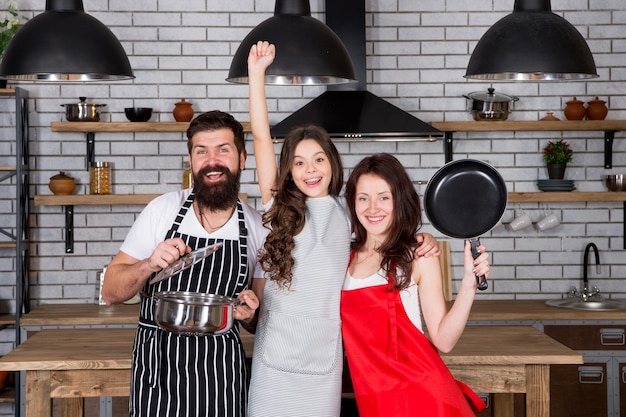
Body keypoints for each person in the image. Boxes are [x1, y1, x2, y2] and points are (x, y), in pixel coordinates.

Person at [246, 41, 440, 416]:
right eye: (299, 163)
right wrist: (257, 76)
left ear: (332, 163)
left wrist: (423, 237)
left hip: (323, 358)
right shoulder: (279, 206)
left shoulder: (347, 209)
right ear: (288, 170)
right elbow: (259, 138)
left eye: (318, 159)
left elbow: (383, 223)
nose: (310, 170)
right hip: (275, 356)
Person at [101, 110, 268, 417]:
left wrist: (249, 314)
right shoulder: (162, 211)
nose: (212, 161)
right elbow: (110, 291)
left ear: (242, 158)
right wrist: (148, 264)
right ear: (191, 159)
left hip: (219, 378)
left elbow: (259, 323)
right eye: (201, 151)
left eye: (223, 149)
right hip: (158, 374)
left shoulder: (257, 228)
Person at [341, 153, 490, 417]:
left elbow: (444, 340)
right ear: (353, 203)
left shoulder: (416, 256)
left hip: (423, 399)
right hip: (375, 403)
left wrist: (469, 284)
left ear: (399, 201)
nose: (372, 208)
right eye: (363, 198)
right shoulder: (341, 260)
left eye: (384, 197)